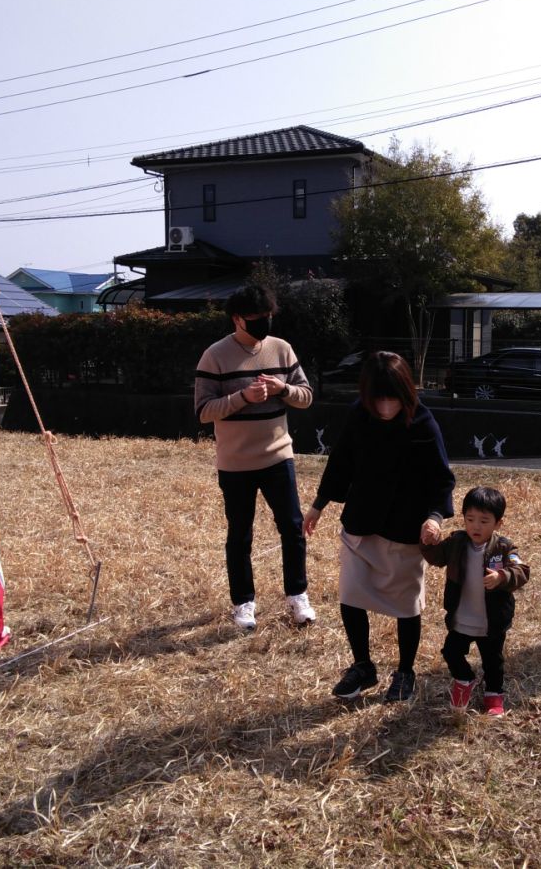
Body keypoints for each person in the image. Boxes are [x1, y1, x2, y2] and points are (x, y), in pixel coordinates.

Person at [303, 352, 455, 703]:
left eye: (393, 398)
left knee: (406, 605)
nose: (385, 407)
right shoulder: (360, 414)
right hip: (361, 523)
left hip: (405, 530)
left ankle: (405, 671)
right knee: (351, 595)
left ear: (406, 393)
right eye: (378, 399)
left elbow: (442, 479)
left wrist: (434, 516)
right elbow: (340, 462)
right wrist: (319, 504)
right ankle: (362, 667)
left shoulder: (423, 423)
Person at [194, 284, 316, 631]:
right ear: (236, 319)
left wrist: (283, 390)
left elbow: (306, 396)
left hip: (279, 456)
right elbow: (203, 411)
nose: (264, 323)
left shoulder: (281, 350)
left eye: (268, 317)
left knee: (292, 528)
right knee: (240, 535)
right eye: (256, 319)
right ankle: (244, 603)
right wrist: (242, 397)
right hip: (236, 463)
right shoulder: (214, 355)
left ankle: (297, 595)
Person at [421, 486, 530, 718]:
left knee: (493, 661)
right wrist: (428, 542)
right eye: (470, 519)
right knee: (451, 652)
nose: (475, 526)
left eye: (484, 521)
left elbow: (521, 570)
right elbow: (436, 557)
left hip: (492, 620)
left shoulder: (504, 547)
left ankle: (494, 694)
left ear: (498, 523)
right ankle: (464, 678)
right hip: (462, 616)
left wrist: (502, 576)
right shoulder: (457, 542)